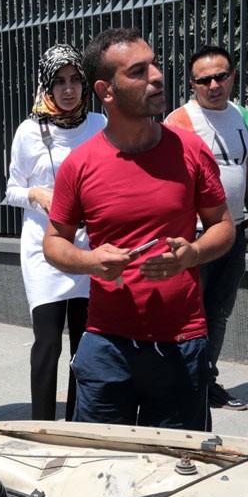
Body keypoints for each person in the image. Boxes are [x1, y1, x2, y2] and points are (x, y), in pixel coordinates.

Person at [43, 28, 235, 430]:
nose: (157, 76)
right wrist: (89, 260)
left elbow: (223, 226)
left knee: (177, 477)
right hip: (106, 344)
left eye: (154, 63)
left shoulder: (190, 149)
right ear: (106, 90)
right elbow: (54, 242)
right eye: (138, 71)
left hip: (182, 342)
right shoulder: (80, 165)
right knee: (96, 472)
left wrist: (194, 253)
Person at [5, 44, 106, 421]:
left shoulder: (100, 126)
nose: (68, 89)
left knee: (85, 342)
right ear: (46, 85)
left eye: (75, 80)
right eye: (59, 81)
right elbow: (11, 189)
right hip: (43, 250)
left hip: (88, 249)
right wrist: (35, 194)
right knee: (47, 342)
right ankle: (41, 424)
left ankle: (80, 421)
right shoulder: (29, 131)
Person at [165, 45, 248, 411]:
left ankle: (205, 380)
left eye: (221, 76)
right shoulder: (179, 120)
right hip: (196, 234)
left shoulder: (241, 114)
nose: (214, 85)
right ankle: (183, 384)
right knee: (190, 313)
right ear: (192, 83)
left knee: (218, 311)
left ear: (232, 75)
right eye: (205, 79)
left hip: (236, 229)